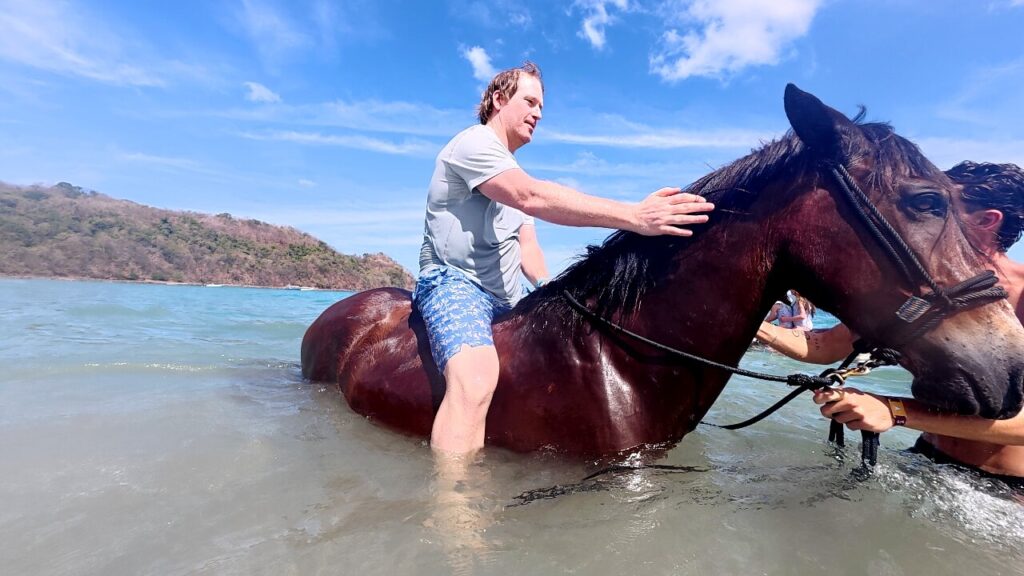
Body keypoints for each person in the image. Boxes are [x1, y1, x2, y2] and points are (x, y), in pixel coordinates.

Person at [415, 62, 715, 454]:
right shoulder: (473, 145)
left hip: (509, 300)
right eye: (530, 101)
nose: (538, 113)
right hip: (455, 283)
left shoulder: (510, 170)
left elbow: (528, 249)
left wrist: (547, 286)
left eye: (542, 107)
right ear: (498, 100)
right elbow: (532, 197)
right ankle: (455, 510)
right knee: (474, 380)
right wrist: (634, 217)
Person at [756, 161, 1024, 482]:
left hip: (1005, 489)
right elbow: (823, 346)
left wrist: (894, 411)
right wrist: (746, 324)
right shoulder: (924, 290)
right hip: (925, 460)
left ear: (986, 221)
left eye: (935, 208)